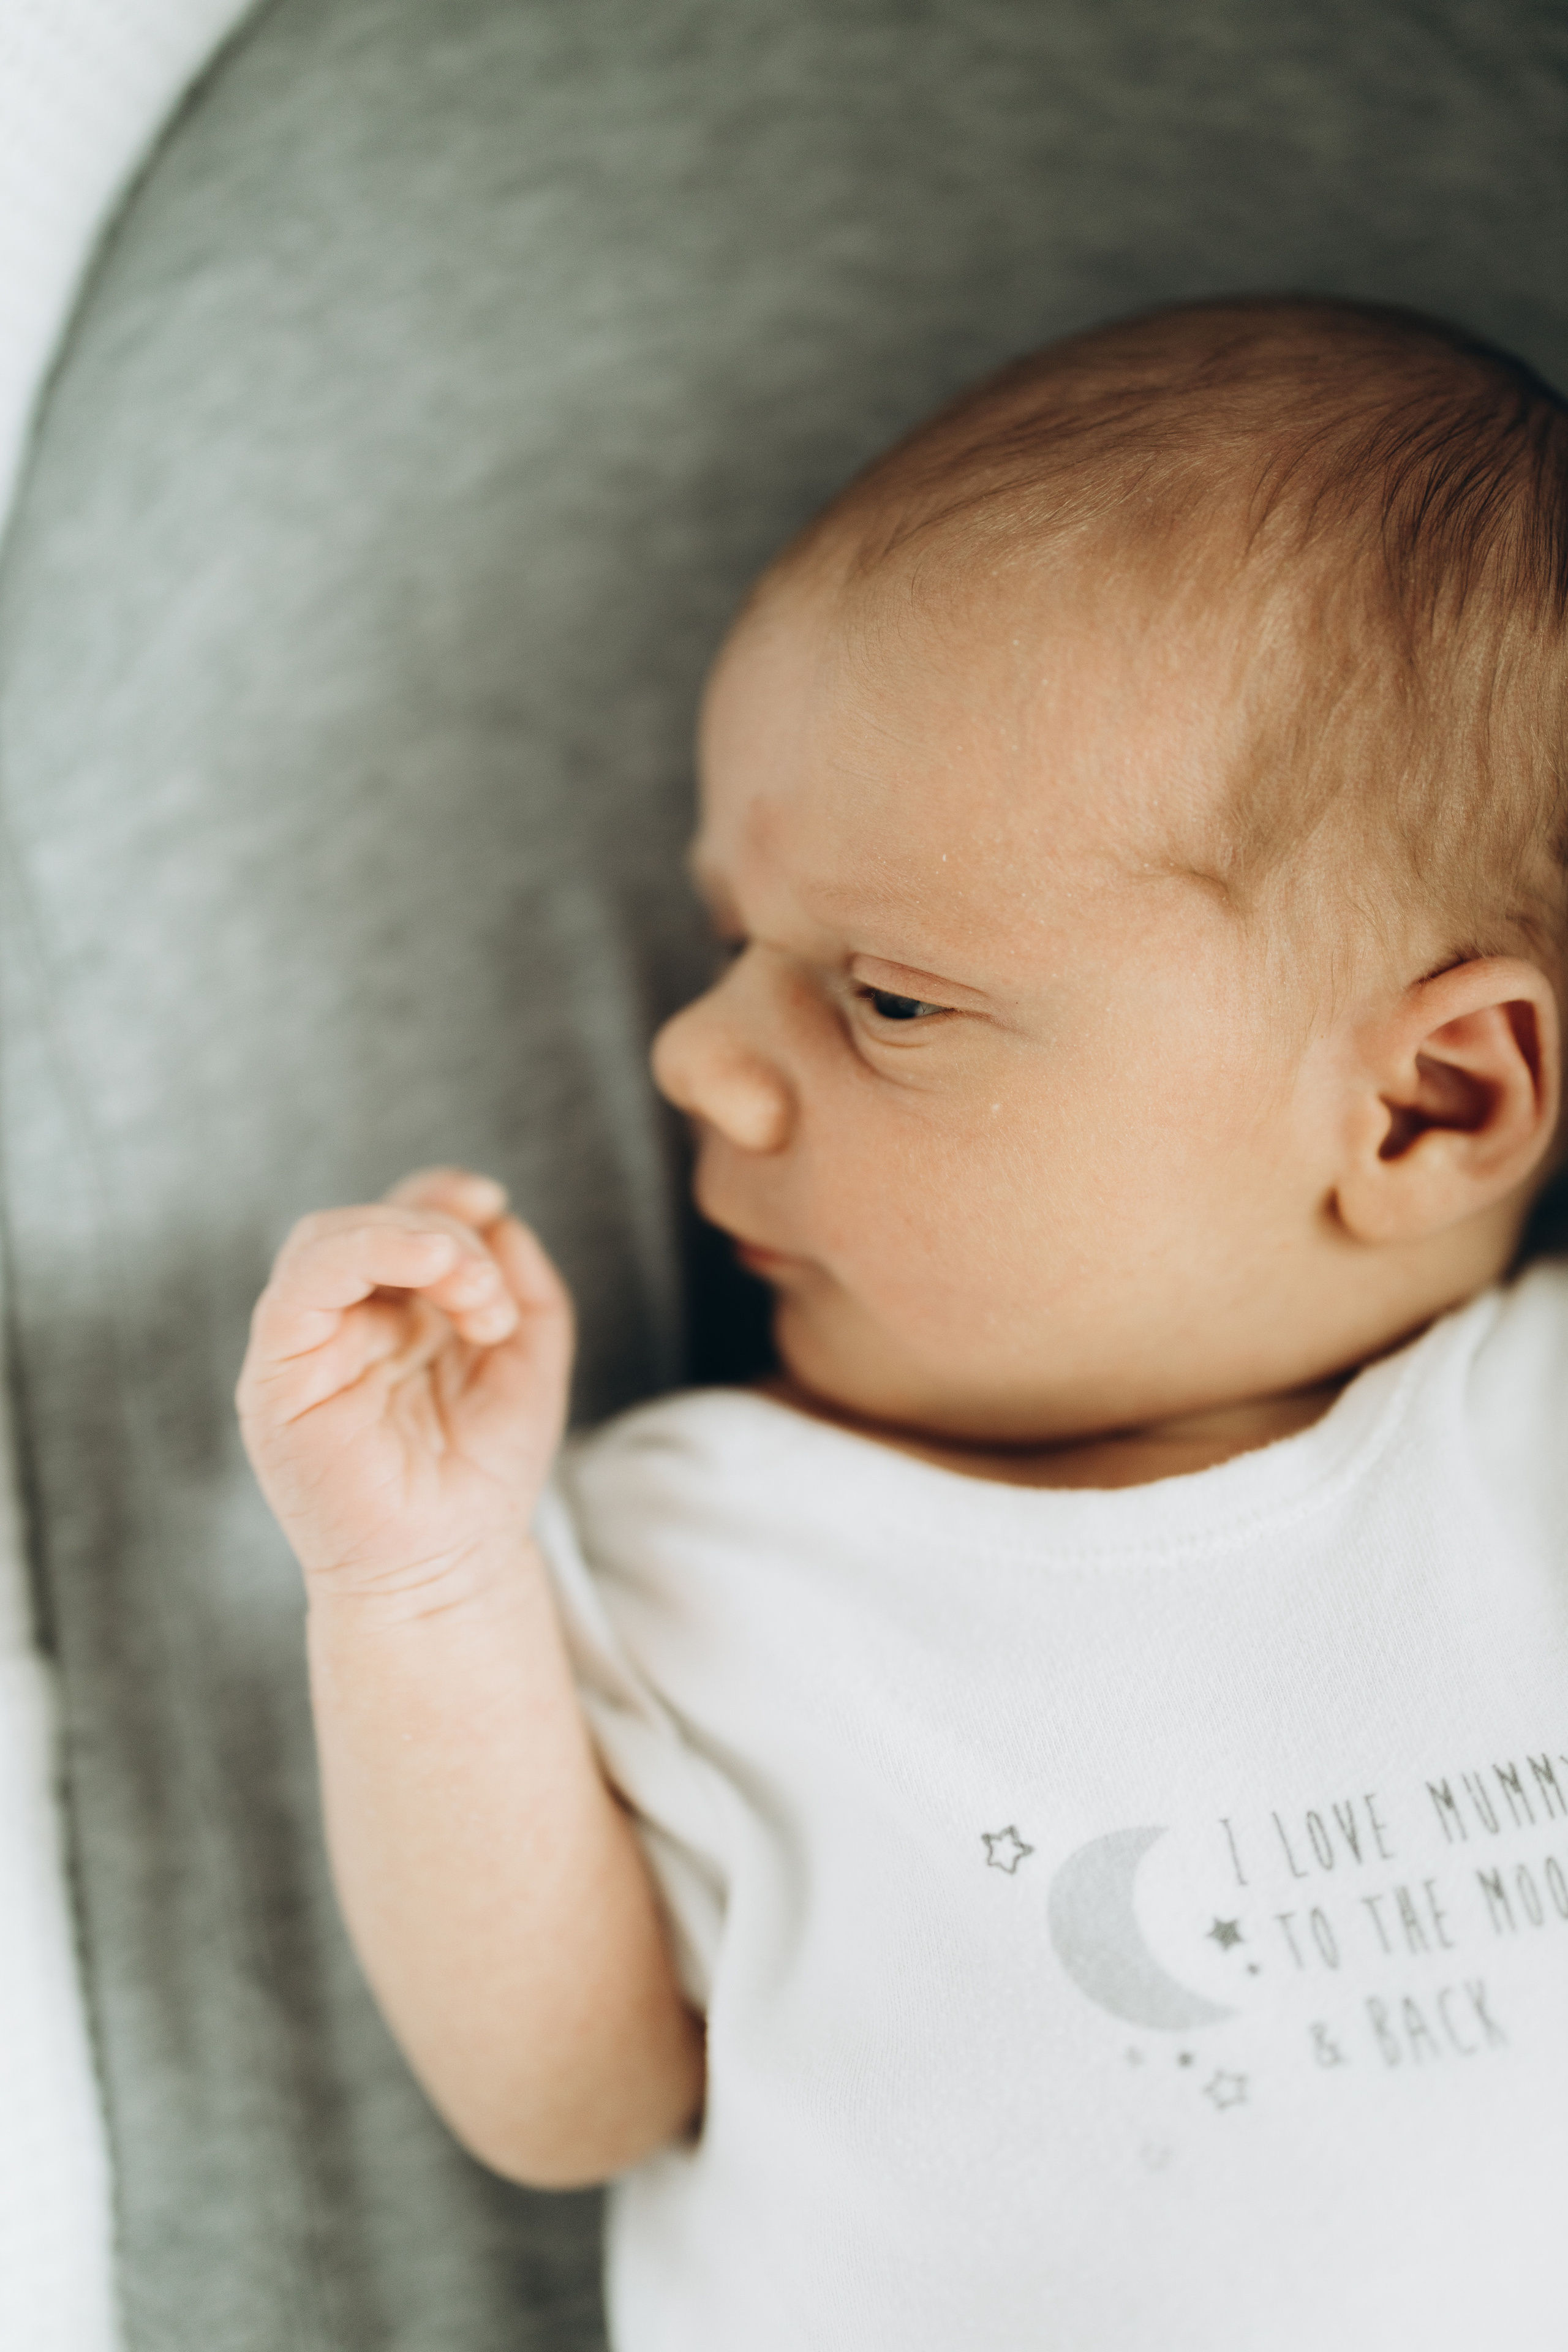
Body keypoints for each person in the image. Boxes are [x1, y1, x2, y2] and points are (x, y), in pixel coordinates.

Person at [236, 296, 1568, 2350]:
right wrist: (415, 1588)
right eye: (726, 950)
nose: (692, 1053)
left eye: (892, 1002)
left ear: (1429, 1102)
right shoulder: (710, 1546)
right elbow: (573, 2098)